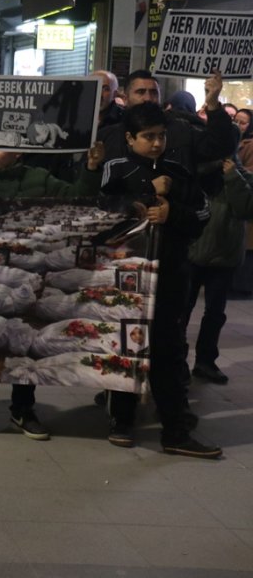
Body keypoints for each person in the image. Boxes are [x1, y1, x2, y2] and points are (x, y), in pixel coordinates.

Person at [0, 138, 106, 439]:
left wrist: (91, 168)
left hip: (27, 271)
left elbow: (78, 199)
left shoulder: (39, 178)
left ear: (19, 150)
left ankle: (23, 408)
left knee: (24, 340)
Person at [99, 102, 221, 458]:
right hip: (125, 275)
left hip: (170, 274)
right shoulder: (116, 169)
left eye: (161, 136)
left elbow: (201, 213)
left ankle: (175, 428)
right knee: (124, 344)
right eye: (148, 137)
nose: (155, 144)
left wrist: (172, 212)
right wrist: (142, 193)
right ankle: (122, 418)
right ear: (129, 138)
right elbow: (100, 212)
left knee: (168, 349)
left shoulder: (179, 171)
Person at [186, 157, 253, 385]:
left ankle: (205, 362)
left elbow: (246, 209)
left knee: (215, 313)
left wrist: (233, 176)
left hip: (223, 257)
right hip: (193, 253)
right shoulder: (196, 172)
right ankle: (176, 361)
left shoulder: (243, 177)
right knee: (182, 310)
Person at [99, 70, 236, 172]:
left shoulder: (182, 130)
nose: (147, 98)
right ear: (126, 97)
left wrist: (213, 106)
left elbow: (219, 148)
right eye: (140, 92)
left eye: (153, 92)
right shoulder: (109, 135)